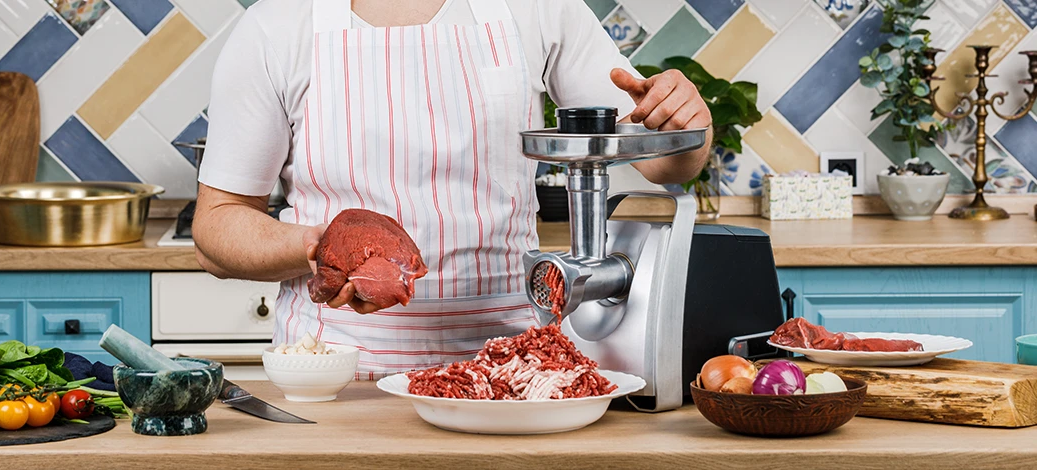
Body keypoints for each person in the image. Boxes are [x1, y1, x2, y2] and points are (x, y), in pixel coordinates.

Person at [194, 0, 712, 378]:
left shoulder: (538, 8)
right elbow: (217, 225)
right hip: (338, 372)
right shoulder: (277, 24)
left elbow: (660, 158)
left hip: (518, 369)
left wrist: (687, 124)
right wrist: (322, 249)